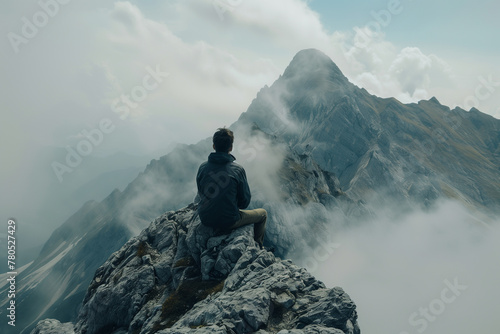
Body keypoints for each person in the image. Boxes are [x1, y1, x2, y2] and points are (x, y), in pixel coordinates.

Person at [196, 127, 267, 248]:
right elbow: (244, 202)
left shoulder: (203, 167)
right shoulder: (237, 170)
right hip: (229, 220)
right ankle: (258, 247)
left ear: (214, 146)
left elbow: (201, 193)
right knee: (263, 214)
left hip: (205, 218)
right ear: (231, 147)